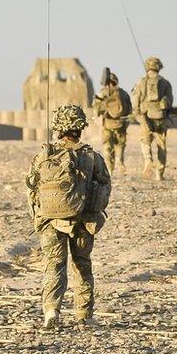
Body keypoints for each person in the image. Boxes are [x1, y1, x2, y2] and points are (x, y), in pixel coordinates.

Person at [25, 105, 111, 328]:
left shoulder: (44, 156)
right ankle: (84, 315)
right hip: (83, 220)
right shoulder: (92, 157)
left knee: (54, 265)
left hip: (50, 220)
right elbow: (104, 186)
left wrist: (38, 218)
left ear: (57, 128)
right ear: (80, 127)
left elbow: (31, 188)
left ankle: (51, 310)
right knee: (82, 264)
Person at [131, 56, 174, 180]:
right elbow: (170, 100)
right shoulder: (165, 83)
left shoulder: (141, 82)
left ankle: (148, 160)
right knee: (161, 145)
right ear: (159, 67)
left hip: (145, 117)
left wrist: (138, 114)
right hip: (160, 118)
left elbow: (136, 100)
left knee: (145, 141)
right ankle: (159, 174)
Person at [91, 69, 132, 175]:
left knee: (107, 146)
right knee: (120, 145)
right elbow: (130, 110)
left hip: (107, 124)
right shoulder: (123, 93)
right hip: (121, 124)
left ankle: (110, 169)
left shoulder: (103, 92)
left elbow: (96, 108)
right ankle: (119, 161)